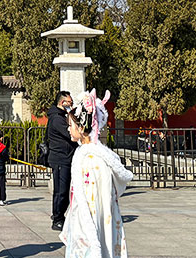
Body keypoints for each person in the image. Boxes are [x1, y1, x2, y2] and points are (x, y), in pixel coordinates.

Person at [60, 89, 133, 257]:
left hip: (88, 228)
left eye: (70, 125)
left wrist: (85, 232)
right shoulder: (91, 156)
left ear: (81, 126)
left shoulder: (91, 161)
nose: (69, 130)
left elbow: (92, 207)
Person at [46, 90, 77, 231]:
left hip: (66, 157)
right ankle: (57, 218)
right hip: (60, 158)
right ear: (62, 103)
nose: (71, 105)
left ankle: (59, 215)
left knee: (64, 190)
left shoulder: (62, 116)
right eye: (69, 103)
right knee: (61, 191)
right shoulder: (57, 119)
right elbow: (70, 134)